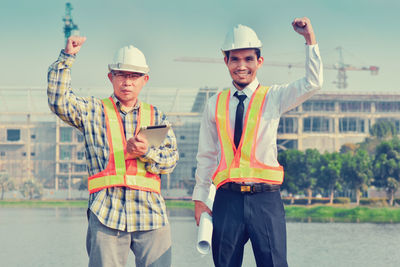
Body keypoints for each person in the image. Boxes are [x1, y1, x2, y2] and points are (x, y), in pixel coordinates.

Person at [192, 17, 323, 267]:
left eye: (248, 59)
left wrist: (309, 39)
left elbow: (313, 83)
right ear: (226, 62)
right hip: (226, 200)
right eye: (235, 59)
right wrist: (200, 199)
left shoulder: (274, 97)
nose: (242, 66)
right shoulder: (214, 104)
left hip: (266, 201)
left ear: (259, 62)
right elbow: (207, 156)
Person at [47, 36, 179, 267]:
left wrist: (147, 152)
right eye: (122, 75)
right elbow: (59, 101)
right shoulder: (93, 111)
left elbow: (171, 160)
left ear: (144, 79)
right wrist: (67, 57)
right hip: (107, 211)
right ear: (111, 77)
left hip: (151, 214)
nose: (128, 82)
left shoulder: (157, 116)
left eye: (134, 76)